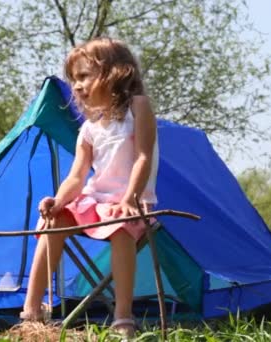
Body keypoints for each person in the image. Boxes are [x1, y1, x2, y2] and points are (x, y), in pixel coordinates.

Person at [20, 37, 159, 338]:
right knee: (53, 219)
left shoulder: (138, 107)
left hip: (130, 202)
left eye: (84, 76)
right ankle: (32, 310)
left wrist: (130, 199)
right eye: (74, 80)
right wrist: (57, 200)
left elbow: (143, 156)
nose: (78, 86)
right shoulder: (89, 127)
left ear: (114, 72)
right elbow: (76, 176)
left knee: (121, 223)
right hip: (95, 202)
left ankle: (123, 316)